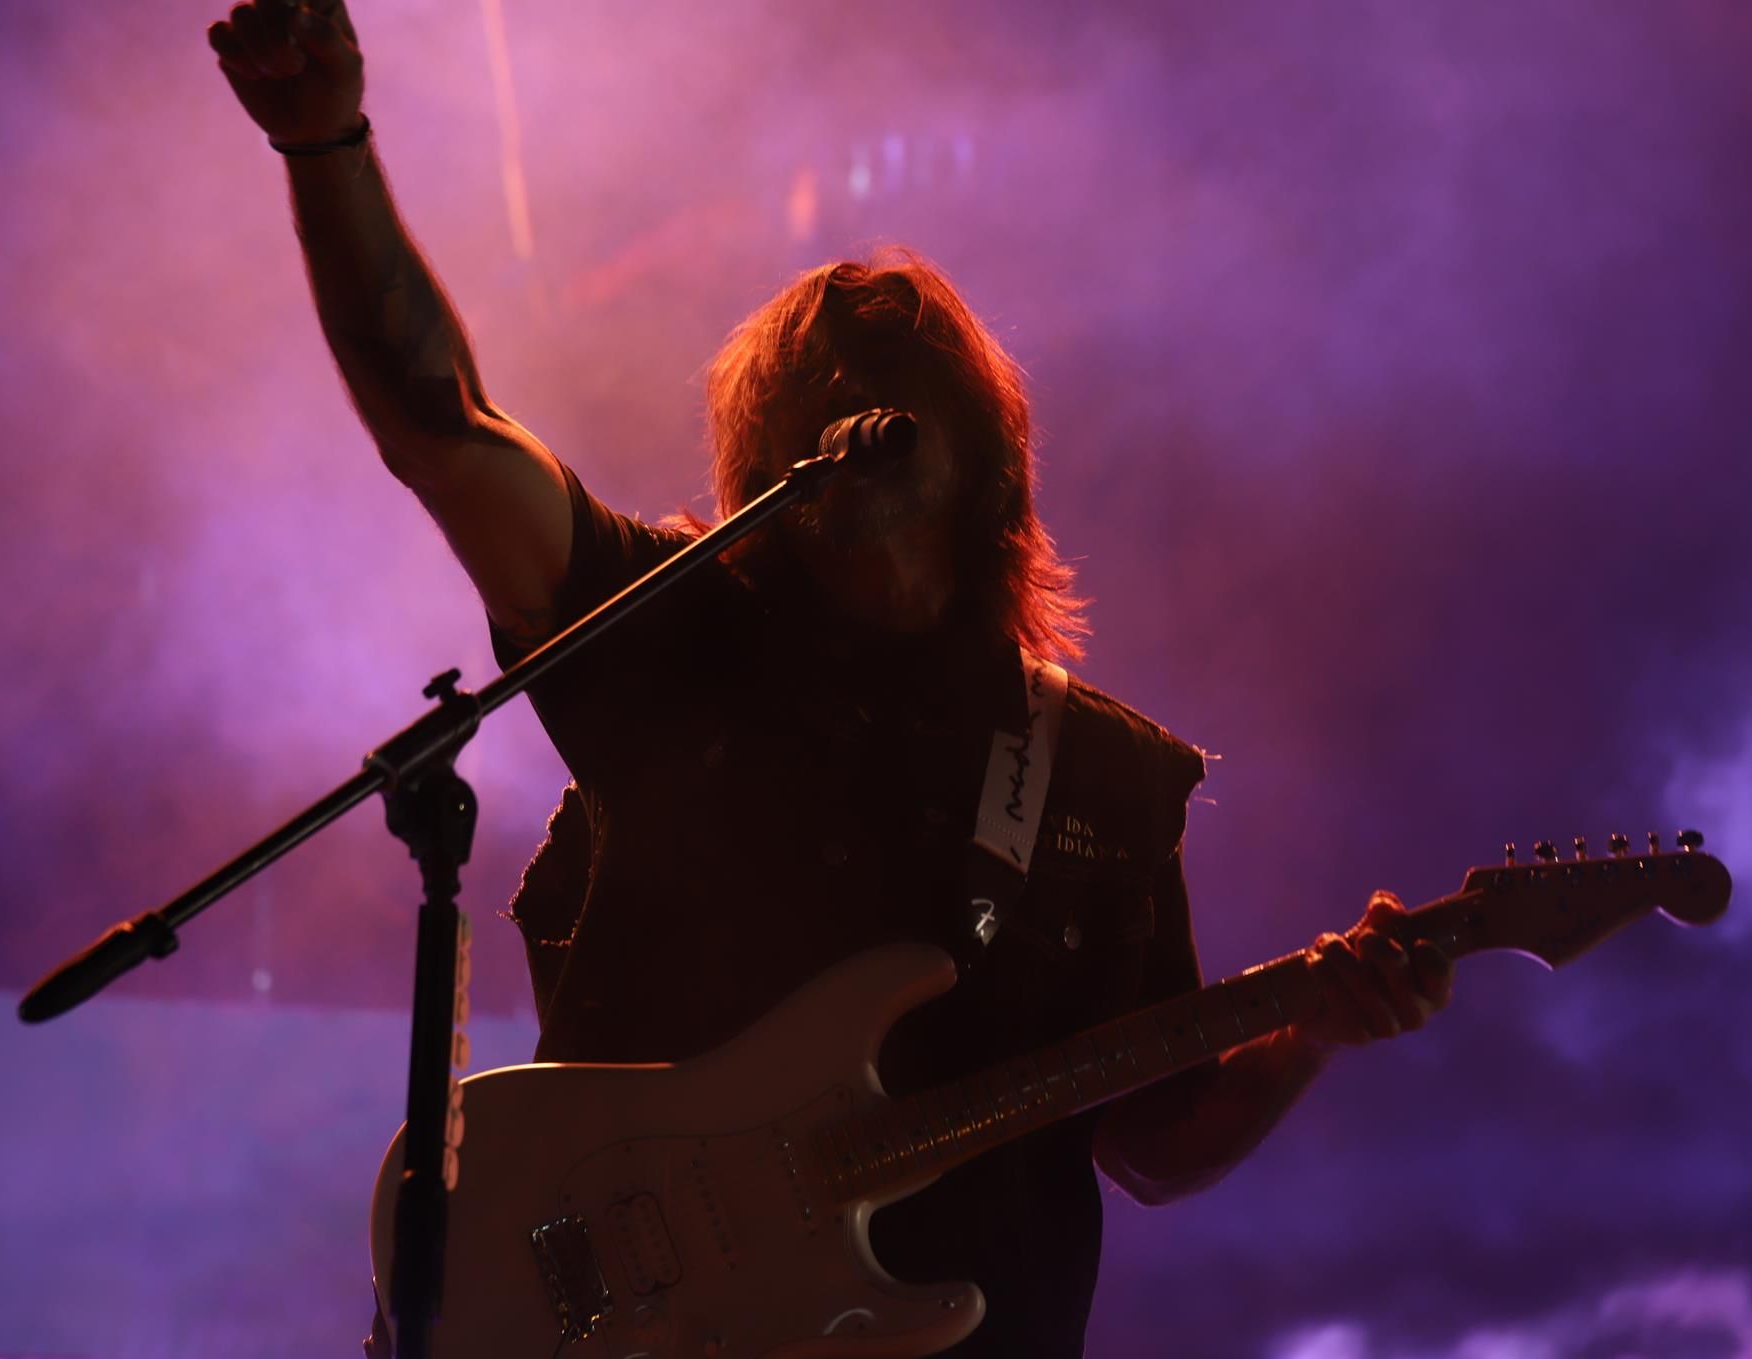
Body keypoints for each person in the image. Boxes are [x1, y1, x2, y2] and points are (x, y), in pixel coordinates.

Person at [207, 3, 1457, 1355]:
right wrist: (325, 145)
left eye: (896, 383)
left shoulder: (1107, 777)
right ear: (766, 466)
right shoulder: (672, 631)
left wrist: (1307, 1034)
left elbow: (1153, 1147)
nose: (854, 394)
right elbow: (442, 428)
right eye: (813, 391)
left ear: (984, 456)